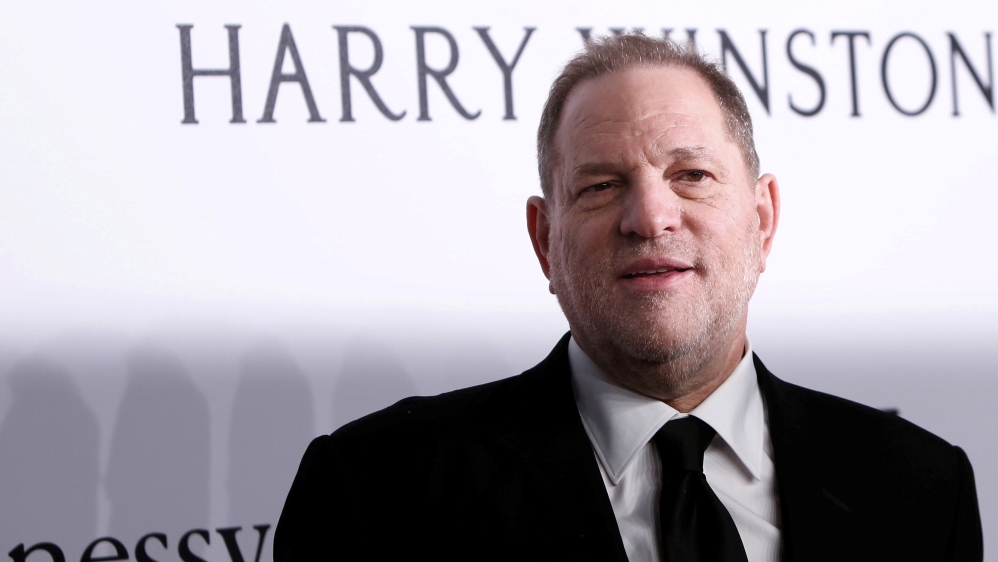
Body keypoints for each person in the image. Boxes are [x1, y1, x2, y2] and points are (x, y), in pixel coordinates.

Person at [274, 34, 983, 562]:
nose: (649, 217)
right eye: (601, 185)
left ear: (763, 220)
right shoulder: (374, 491)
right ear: (544, 240)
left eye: (692, 175)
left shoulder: (923, 487)